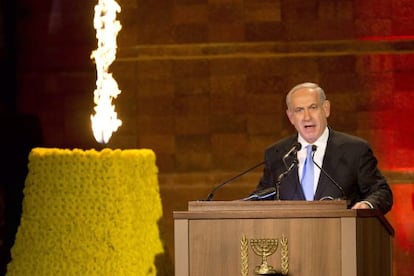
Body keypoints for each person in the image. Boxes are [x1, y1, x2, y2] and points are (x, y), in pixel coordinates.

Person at [252, 82, 393, 214]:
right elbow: (261, 198)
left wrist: (367, 205)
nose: (307, 117)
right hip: (291, 237)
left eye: (313, 108)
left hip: (341, 236)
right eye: (299, 110)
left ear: (326, 109)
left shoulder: (355, 149)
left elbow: (381, 192)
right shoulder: (277, 154)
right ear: (291, 117)